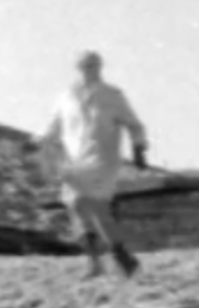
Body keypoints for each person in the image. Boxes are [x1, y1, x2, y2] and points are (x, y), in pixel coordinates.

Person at [27, 50, 148, 278]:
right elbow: (53, 127)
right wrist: (35, 141)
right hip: (76, 160)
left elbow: (135, 125)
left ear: (100, 67)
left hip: (103, 159)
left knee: (92, 205)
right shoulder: (66, 97)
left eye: (94, 65)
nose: (90, 70)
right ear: (78, 68)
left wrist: (139, 148)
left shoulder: (113, 96)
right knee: (77, 207)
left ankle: (119, 256)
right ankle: (99, 261)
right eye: (85, 66)